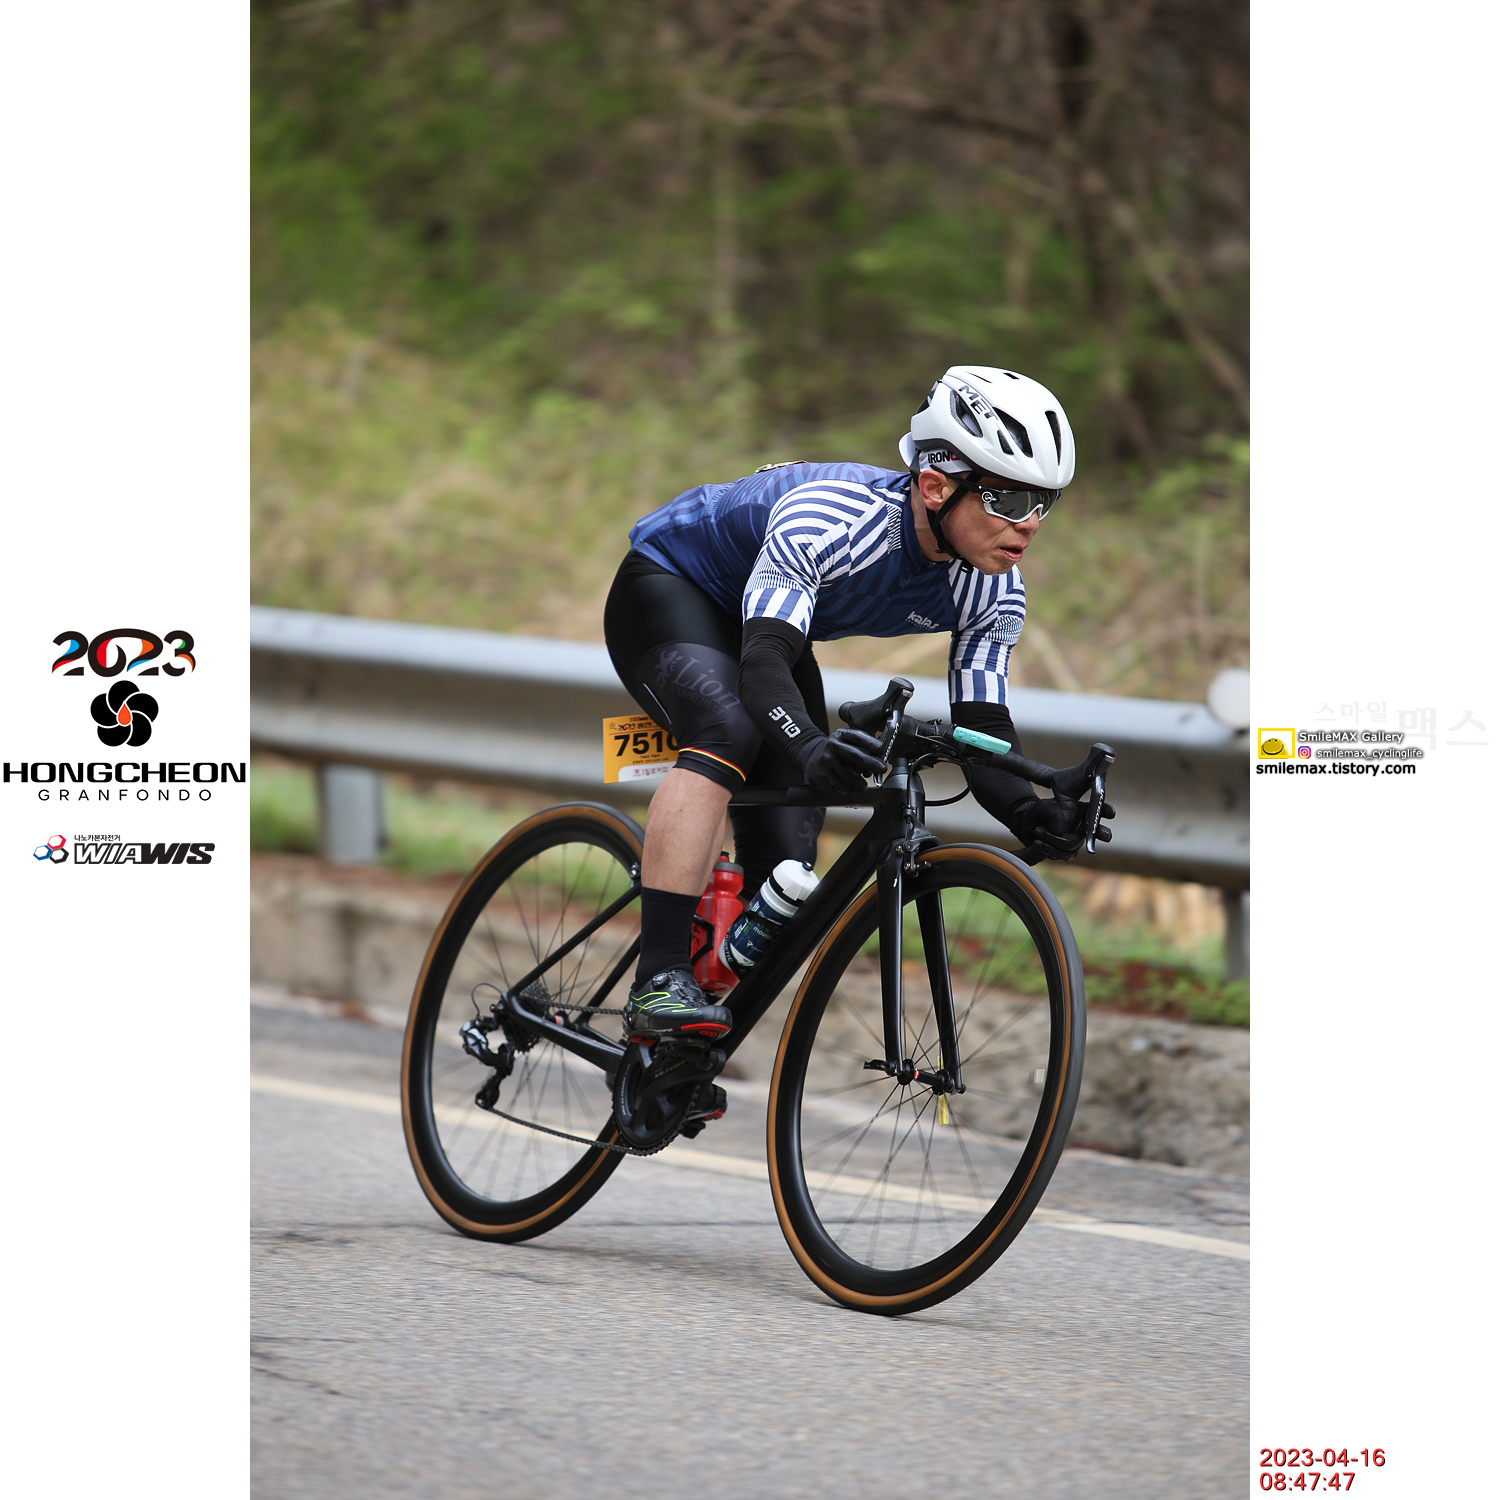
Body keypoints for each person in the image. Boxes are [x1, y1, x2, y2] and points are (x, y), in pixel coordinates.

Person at [604, 364, 1092, 1045]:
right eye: (1008, 498)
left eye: (1044, 502)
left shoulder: (993, 588)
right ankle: (658, 978)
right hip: (674, 586)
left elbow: (982, 728)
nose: (1030, 524)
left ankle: (679, 1043)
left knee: (787, 870)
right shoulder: (835, 519)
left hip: (770, 626)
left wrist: (1029, 808)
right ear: (934, 485)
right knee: (728, 731)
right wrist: (807, 744)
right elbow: (763, 666)